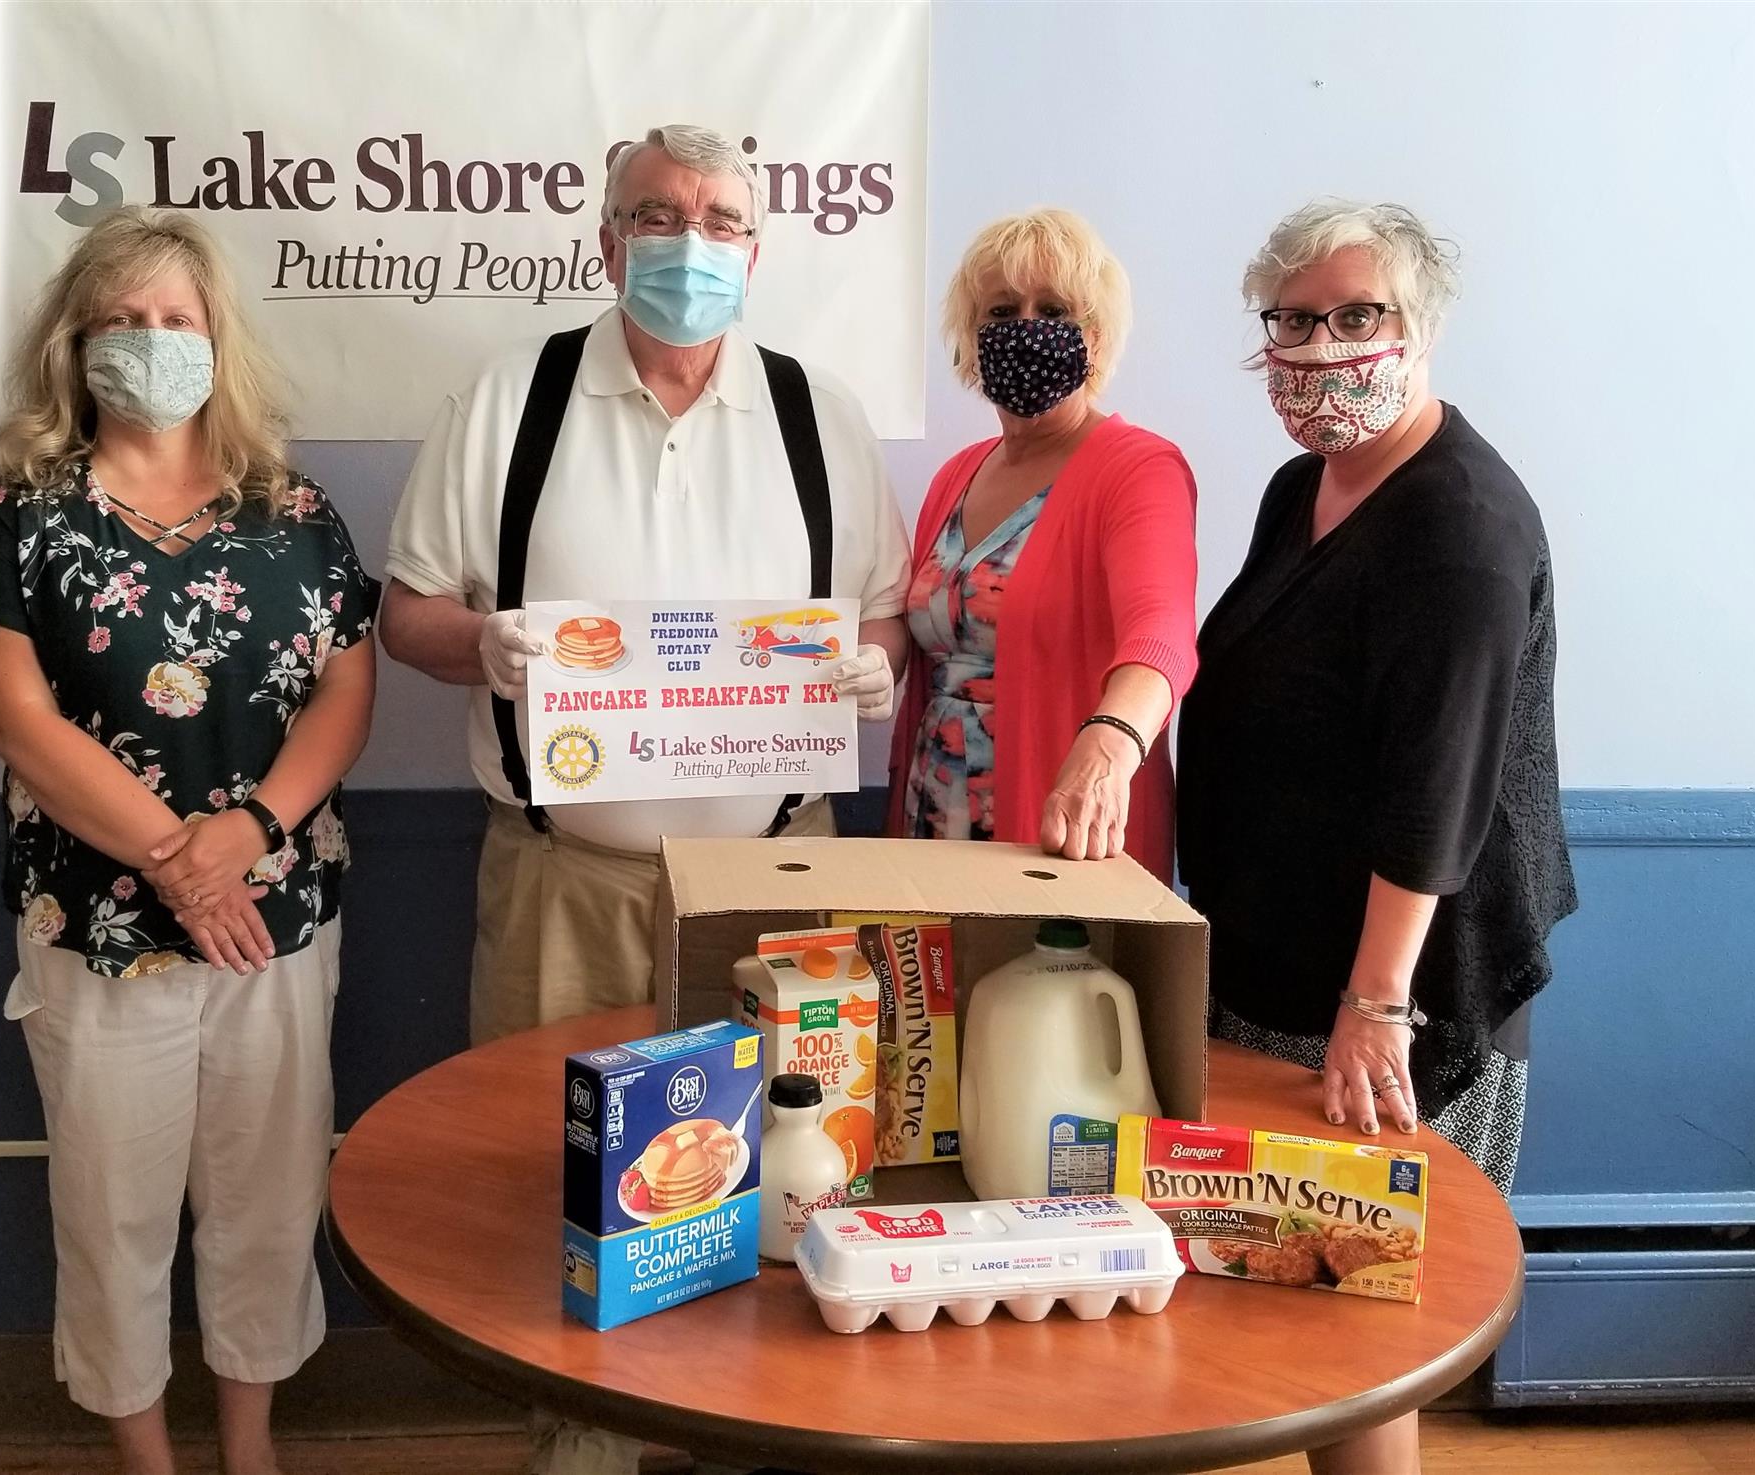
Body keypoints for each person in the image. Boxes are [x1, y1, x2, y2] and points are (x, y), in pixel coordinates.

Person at [0, 207, 380, 1475]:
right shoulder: (16, 515)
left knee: (267, 1204)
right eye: (121, 319)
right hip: (100, 926)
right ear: (74, 343)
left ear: (216, 339)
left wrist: (250, 830)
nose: (150, 339)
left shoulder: (294, 510)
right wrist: (182, 860)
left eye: (175, 318)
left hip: (275, 915)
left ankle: (250, 1445)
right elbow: (15, 717)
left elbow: (345, 691)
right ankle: (145, 1455)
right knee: (112, 1213)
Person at [1176, 200, 1577, 1475]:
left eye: (1359, 315)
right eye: (1293, 321)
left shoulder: (1458, 528)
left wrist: (1375, 1005)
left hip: (1391, 993)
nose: (1322, 347)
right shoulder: (1305, 486)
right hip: (1276, 964)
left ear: (1423, 326)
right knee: (1291, 1302)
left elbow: (1435, 790)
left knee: (1355, 1316)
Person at [382, 123, 912, 1047]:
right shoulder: (506, 400)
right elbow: (404, 614)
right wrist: (479, 644)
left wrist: (877, 661)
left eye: (721, 222)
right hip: (561, 889)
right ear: (609, 244)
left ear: (752, 255)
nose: (691, 243)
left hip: (780, 880)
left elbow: (886, 612)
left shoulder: (823, 415)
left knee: (785, 1128)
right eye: (657, 217)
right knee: (536, 1127)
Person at [888, 209, 1198, 880]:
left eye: (1052, 309)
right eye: (1001, 311)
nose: (1025, 327)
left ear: (1094, 335)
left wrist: (1112, 742)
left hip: (1067, 830)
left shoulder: (1139, 468)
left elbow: (1163, 637)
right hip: (930, 818)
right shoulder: (955, 475)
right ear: (972, 337)